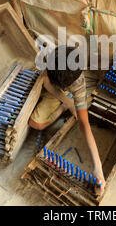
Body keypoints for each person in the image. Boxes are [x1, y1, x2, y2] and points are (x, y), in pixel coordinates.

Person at [28, 46, 106, 195]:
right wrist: (68, 103)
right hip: (57, 89)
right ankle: (66, 104)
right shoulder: (56, 58)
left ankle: (66, 105)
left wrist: (98, 168)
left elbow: (84, 124)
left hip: (66, 89)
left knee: (38, 124)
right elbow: (45, 81)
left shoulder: (78, 84)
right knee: (36, 123)